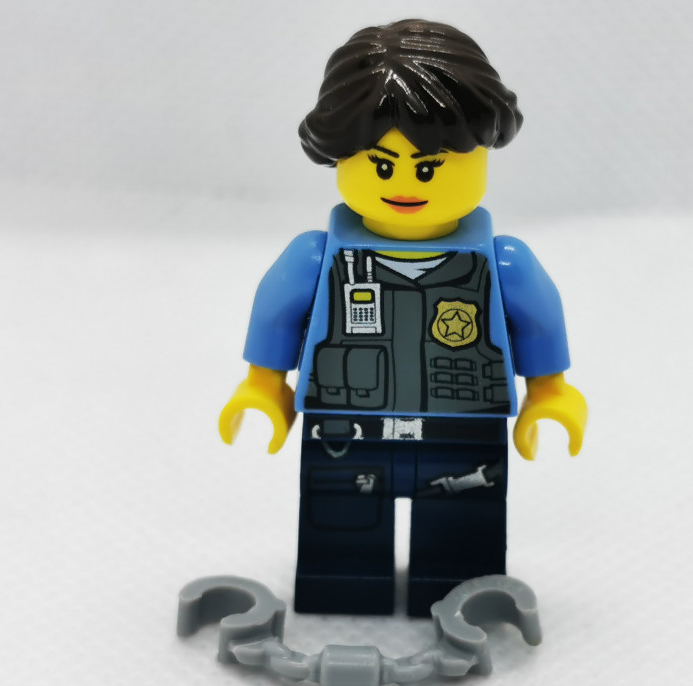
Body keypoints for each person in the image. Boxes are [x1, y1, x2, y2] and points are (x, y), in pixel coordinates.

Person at [219, 19, 587, 616]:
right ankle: (344, 588)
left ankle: (458, 602)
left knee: (460, 536)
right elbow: (278, 314)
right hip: (345, 425)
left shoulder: (503, 263)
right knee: (341, 533)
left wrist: (550, 394)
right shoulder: (317, 257)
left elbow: (538, 323)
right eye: (383, 165)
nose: (407, 184)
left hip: (463, 425)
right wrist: (263, 387)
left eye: (431, 166)